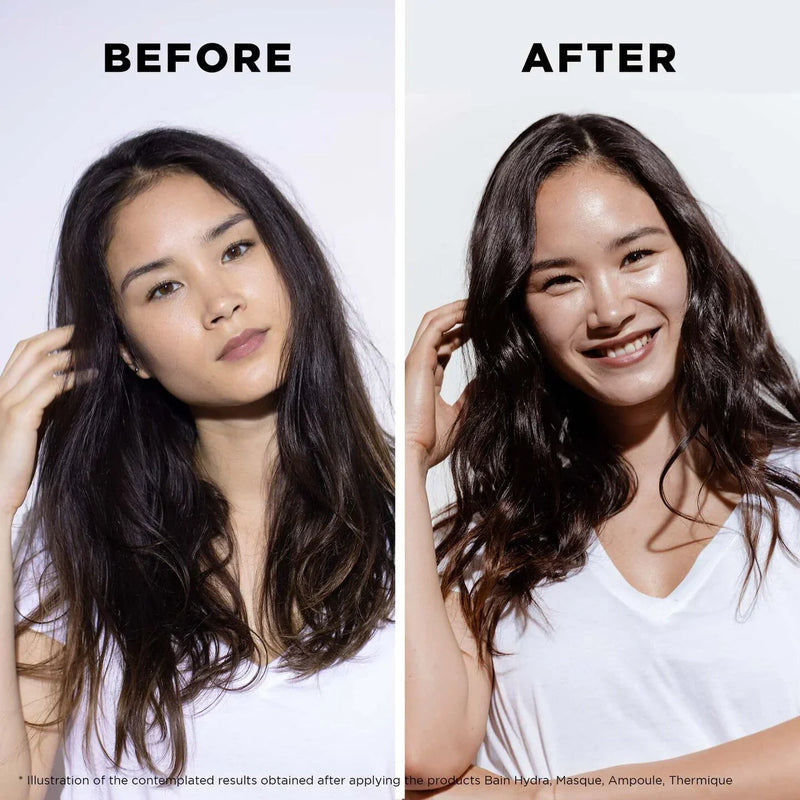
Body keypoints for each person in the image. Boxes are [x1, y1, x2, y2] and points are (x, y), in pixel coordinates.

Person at [405, 113, 800, 798]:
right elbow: (420, 759)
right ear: (519, 315)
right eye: (559, 280)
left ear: (690, 261)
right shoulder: (486, 553)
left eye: (636, 256)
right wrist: (407, 461)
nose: (610, 308)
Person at [2, 128, 395, 799]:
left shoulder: (406, 521)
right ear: (127, 351)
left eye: (236, 249)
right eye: (162, 288)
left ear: (288, 259)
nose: (221, 302)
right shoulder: (73, 549)